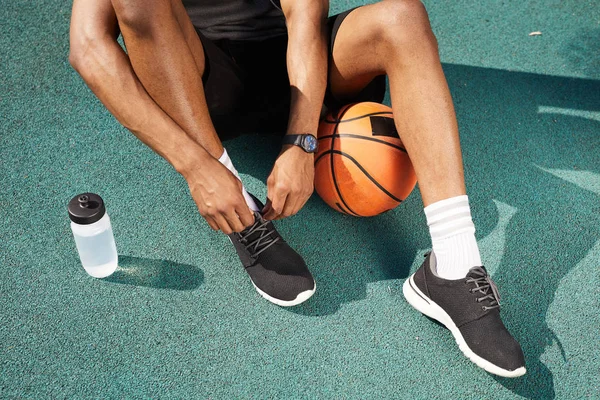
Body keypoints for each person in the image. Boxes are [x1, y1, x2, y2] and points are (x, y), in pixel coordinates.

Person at [69, 0, 526, 377]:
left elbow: (306, 16)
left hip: (300, 72)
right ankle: (243, 214)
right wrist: (197, 166)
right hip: (198, 84)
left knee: (401, 18)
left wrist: (302, 142)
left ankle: (454, 263)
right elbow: (89, 48)